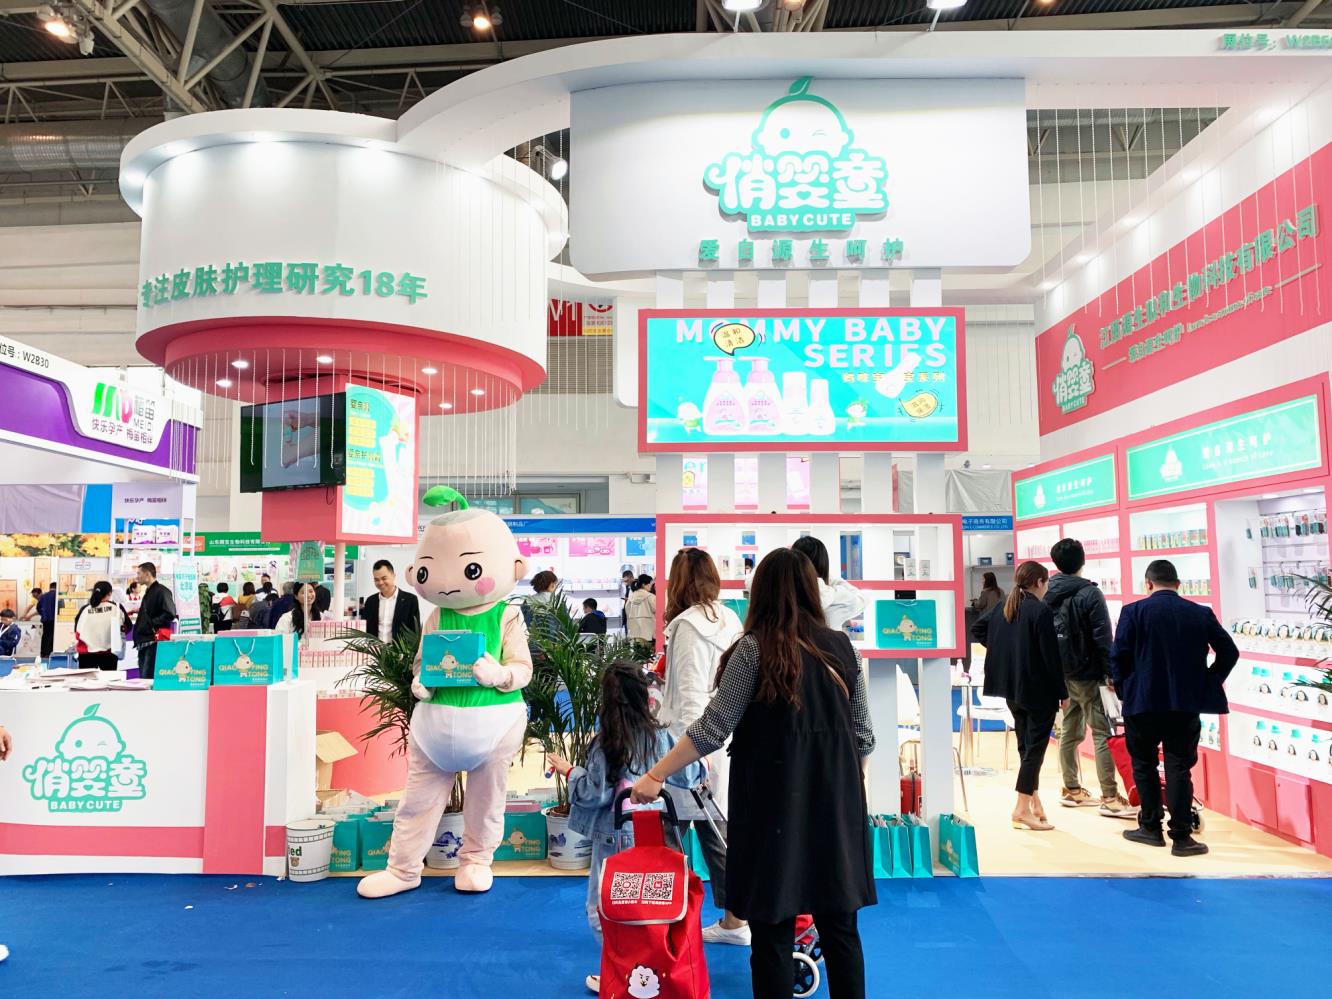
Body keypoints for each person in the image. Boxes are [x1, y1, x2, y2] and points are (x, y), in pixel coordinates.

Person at [634, 547, 876, 999]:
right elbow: (864, 736)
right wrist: (847, 785)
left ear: (760, 592)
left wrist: (656, 774)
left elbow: (713, 727)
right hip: (836, 805)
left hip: (770, 806)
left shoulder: (752, 649)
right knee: (841, 928)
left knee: (771, 931)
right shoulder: (844, 648)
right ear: (811, 591)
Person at [547, 663, 705, 995]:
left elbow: (594, 793)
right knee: (654, 903)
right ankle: (655, 971)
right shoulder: (660, 737)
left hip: (614, 836)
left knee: (605, 904)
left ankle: (622, 972)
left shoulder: (607, 742)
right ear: (644, 696)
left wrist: (569, 771)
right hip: (655, 832)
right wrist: (703, 765)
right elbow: (687, 775)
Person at [1111, 559, 1239, 857]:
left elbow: (1118, 657)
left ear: (1148, 584)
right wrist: (1209, 680)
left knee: (1143, 764)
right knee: (1179, 766)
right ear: (1178, 585)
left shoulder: (1133, 612)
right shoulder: (1200, 613)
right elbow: (1229, 651)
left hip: (1142, 702)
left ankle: (1150, 827)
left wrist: (1125, 690)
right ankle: (1182, 836)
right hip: (1184, 703)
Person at [657, 548, 745, 944]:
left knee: (670, 834)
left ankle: (667, 918)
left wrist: (694, 753)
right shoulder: (730, 619)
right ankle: (734, 920)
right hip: (722, 739)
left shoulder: (689, 626)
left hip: (691, 743)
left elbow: (692, 695)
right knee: (717, 831)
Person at [971, 560, 1068, 831]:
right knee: (1034, 749)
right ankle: (1022, 808)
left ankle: (1034, 803)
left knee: (1026, 747)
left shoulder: (1006, 605)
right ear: (1039, 582)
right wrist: (1062, 692)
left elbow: (978, 629)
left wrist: (1005, 650)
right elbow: (1050, 657)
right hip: (1038, 690)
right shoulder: (1039, 610)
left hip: (1012, 688)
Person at [1044, 538, 1131, 817]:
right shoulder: (1090, 593)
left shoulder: (1047, 592)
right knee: (1102, 733)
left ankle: (1071, 788)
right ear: (1082, 560)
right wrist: (1111, 673)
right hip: (1089, 673)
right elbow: (1103, 637)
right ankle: (1110, 796)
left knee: (1069, 730)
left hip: (1061, 674)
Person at [791, 536, 865, 632]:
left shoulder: (784, 596)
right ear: (823, 563)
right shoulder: (836, 603)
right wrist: (830, 584)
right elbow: (862, 600)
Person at [131, 562, 175, 679]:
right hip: (145, 641)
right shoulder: (150, 591)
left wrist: (150, 624)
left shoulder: (161, 591)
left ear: (147, 574)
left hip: (153, 641)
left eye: (139, 573)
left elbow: (170, 613)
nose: (137, 577)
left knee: (147, 679)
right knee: (144, 678)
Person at [361, 560, 421, 645]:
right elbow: (365, 629)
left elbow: (414, 632)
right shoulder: (370, 601)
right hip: (375, 650)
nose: (380, 582)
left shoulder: (410, 600)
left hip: (400, 651)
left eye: (384, 578)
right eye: (376, 580)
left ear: (393, 576)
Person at [74, 581, 126, 671]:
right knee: (109, 679)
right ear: (110, 593)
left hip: (87, 653)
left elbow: (77, 631)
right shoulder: (117, 608)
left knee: (87, 679)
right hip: (109, 653)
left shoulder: (85, 609)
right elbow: (126, 627)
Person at [624, 574, 657, 643]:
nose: (651, 586)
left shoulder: (631, 597)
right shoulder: (650, 596)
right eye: (650, 583)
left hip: (634, 633)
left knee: (638, 649)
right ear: (644, 584)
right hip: (648, 632)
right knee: (648, 649)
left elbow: (627, 611)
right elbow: (656, 610)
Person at [36, 582, 57, 659]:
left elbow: (38, 607)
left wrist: (43, 614)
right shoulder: (57, 596)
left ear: (50, 587)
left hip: (45, 619)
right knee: (52, 636)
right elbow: (61, 607)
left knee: (45, 636)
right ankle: (50, 653)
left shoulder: (43, 596)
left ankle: (43, 653)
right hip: (54, 620)